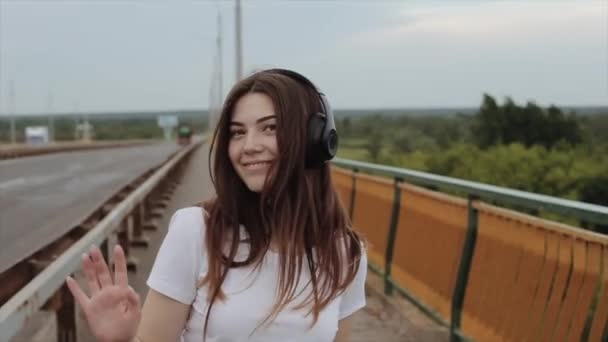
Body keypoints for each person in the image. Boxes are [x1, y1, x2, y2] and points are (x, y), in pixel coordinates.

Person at [65, 68, 368, 342]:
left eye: (270, 128)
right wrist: (122, 340)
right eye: (238, 132)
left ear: (315, 141)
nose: (249, 146)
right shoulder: (196, 231)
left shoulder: (344, 252)